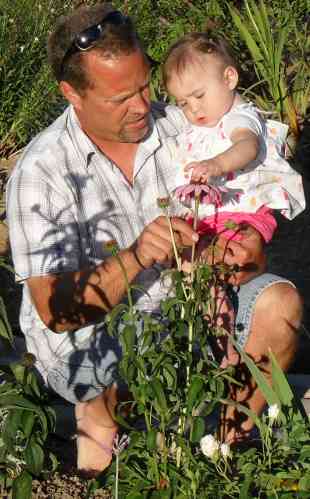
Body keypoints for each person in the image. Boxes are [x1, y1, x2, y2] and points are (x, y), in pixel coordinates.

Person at [6, 3, 302, 476]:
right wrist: (139, 254)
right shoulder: (41, 172)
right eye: (120, 98)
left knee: (279, 305)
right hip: (93, 339)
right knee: (124, 378)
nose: (143, 106)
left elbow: (243, 193)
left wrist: (242, 248)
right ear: (71, 94)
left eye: (144, 85)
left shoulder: (181, 128)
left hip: (184, 316)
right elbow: (56, 312)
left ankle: (219, 453)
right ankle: (107, 428)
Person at [162, 33, 305, 244]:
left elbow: (247, 146)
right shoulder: (207, 121)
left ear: (229, 78)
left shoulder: (239, 117)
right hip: (212, 215)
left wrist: (217, 164)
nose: (193, 108)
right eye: (183, 103)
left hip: (243, 213)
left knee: (219, 257)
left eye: (199, 95)